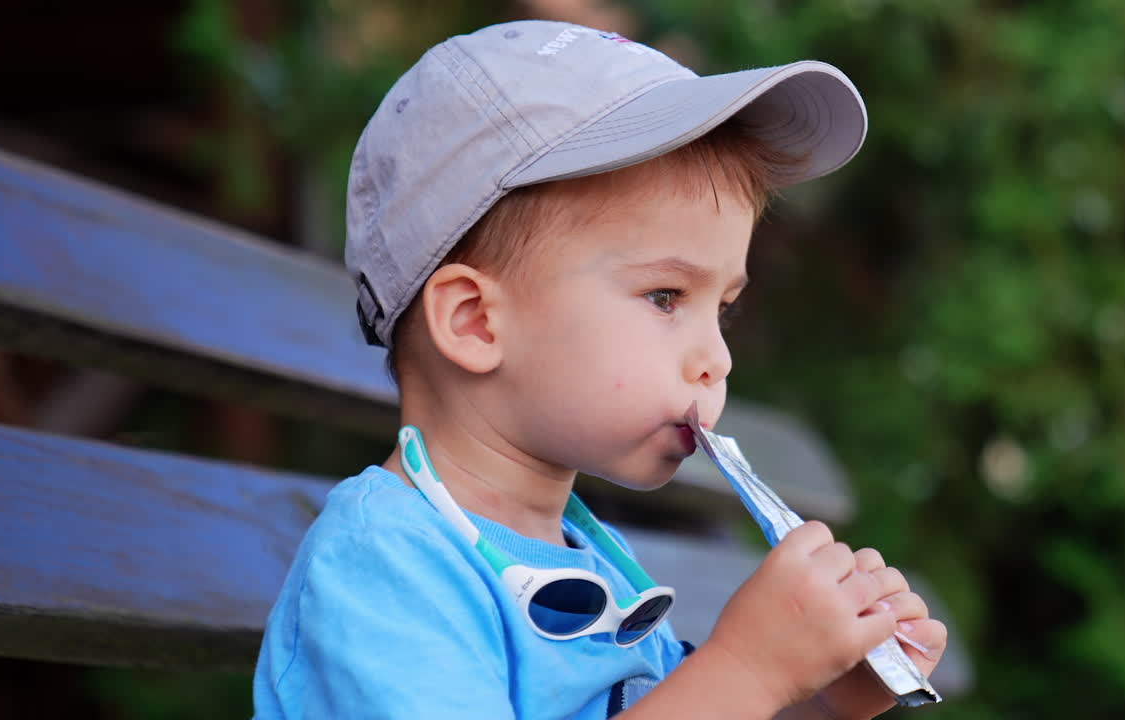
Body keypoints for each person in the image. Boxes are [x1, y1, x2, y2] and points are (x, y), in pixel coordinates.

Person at [253, 19, 947, 720]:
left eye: (724, 308)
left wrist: (820, 699)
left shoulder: (592, 561)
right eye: (666, 296)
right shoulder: (386, 570)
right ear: (475, 322)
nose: (718, 357)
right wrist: (747, 671)